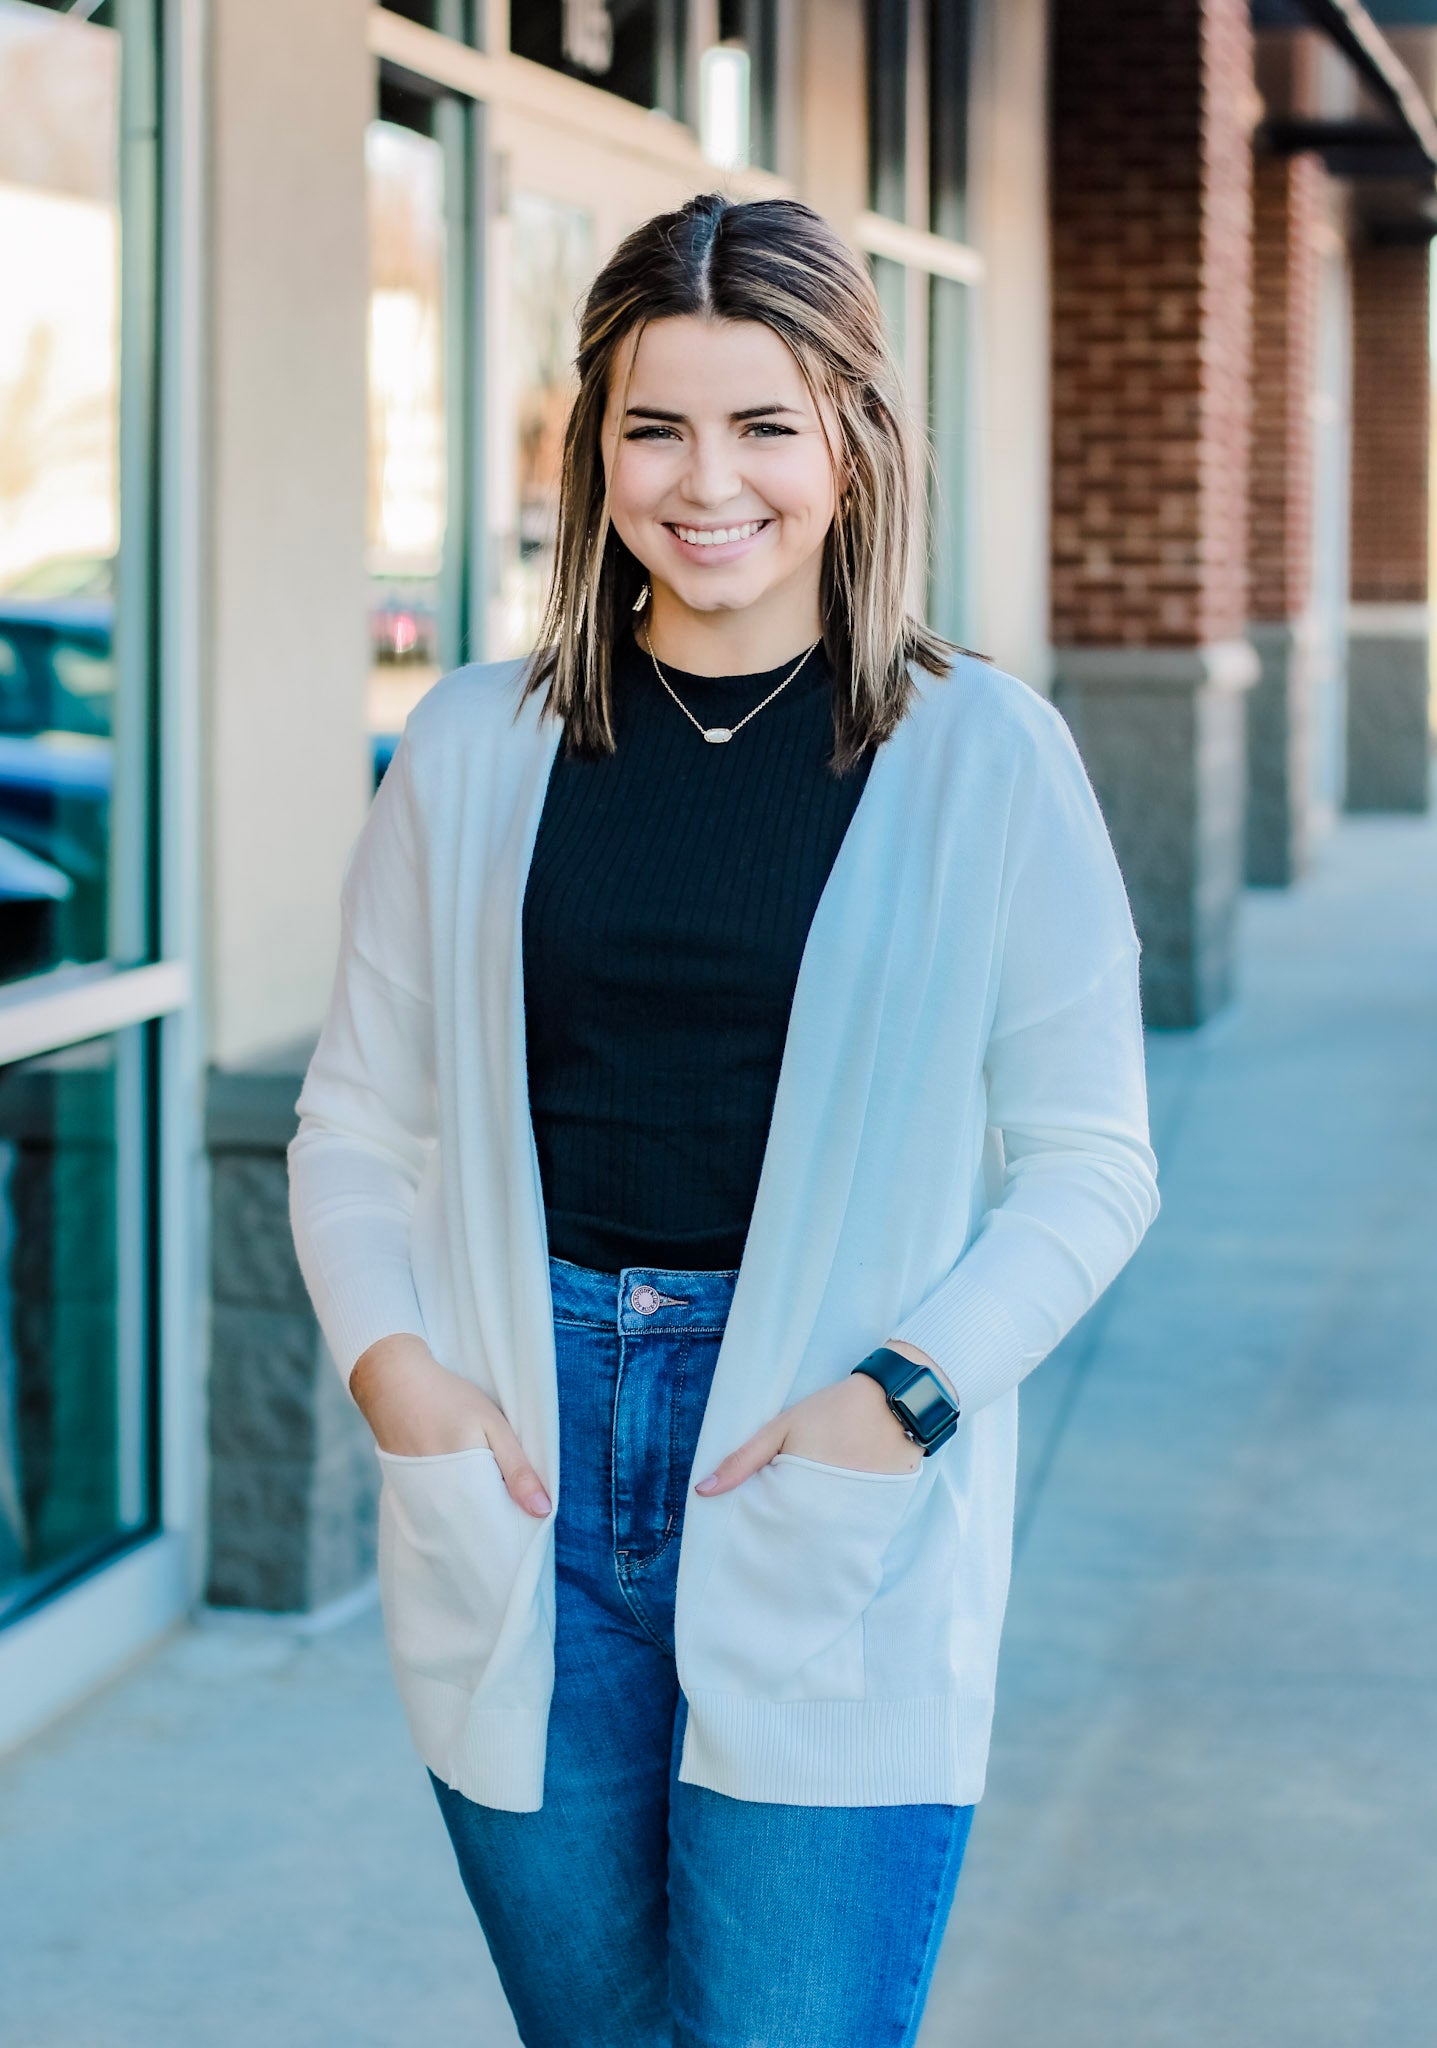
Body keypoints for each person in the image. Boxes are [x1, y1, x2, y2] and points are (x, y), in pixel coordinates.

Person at [288, 190, 1161, 2048]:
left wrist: (900, 1400)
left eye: (763, 424)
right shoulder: (469, 745)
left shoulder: (983, 755)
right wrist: (395, 1376)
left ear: (851, 443)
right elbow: (352, 1127)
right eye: (655, 427)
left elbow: (1091, 1164)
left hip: (815, 1451)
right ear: (593, 448)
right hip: (520, 1458)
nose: (707, 484)